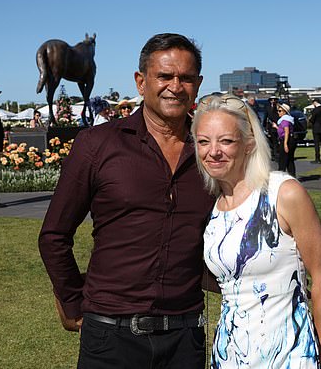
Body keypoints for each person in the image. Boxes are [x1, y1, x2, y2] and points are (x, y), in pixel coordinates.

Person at [39, 33, 214, 369]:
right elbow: (53, 236)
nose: (175, 86)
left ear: (198, 84)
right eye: (164, 76)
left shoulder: (212, 153)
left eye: (186, 78)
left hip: (186, 338)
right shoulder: (97, 145)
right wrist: (75, 303)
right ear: (140, 81)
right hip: (110, 338)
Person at [192, 93, 321, 368]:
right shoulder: (211, 208)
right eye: (203, 141)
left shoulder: (283, 193)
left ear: (249, 143)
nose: (213, 151)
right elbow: (226, 279)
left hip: (289, 353)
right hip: (230, 354)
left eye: (226, 140)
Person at [276, 102, 297, 176]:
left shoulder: (285, 120)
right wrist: (276, 127)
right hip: (288, 139)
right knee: (289, 160)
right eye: (278, 110)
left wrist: (285, 144)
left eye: (280, 111)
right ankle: (292, 176)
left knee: (283, 159)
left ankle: (280, 176)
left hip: (287, 140)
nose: (278, 112)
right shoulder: (286, 120)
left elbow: (286, 131)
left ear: (284, 112)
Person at [310, 98, 321, 163]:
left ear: (315, 102)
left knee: (317, 143)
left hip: (316, 128)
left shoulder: (315, 110)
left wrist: (310, 119)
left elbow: (312, 120)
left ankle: (317, 158)